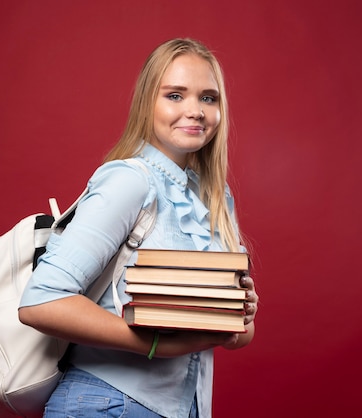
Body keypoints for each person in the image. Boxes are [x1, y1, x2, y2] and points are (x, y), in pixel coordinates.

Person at [19, 38, 259, 418]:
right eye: (175, 95)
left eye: (208, 98)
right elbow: (41, 302)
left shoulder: (215, 197)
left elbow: (236, 338)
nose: (195, 111)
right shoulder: (131, 181)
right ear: (149, 102)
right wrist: (155, 345)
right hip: (106, 403)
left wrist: (242, 312)